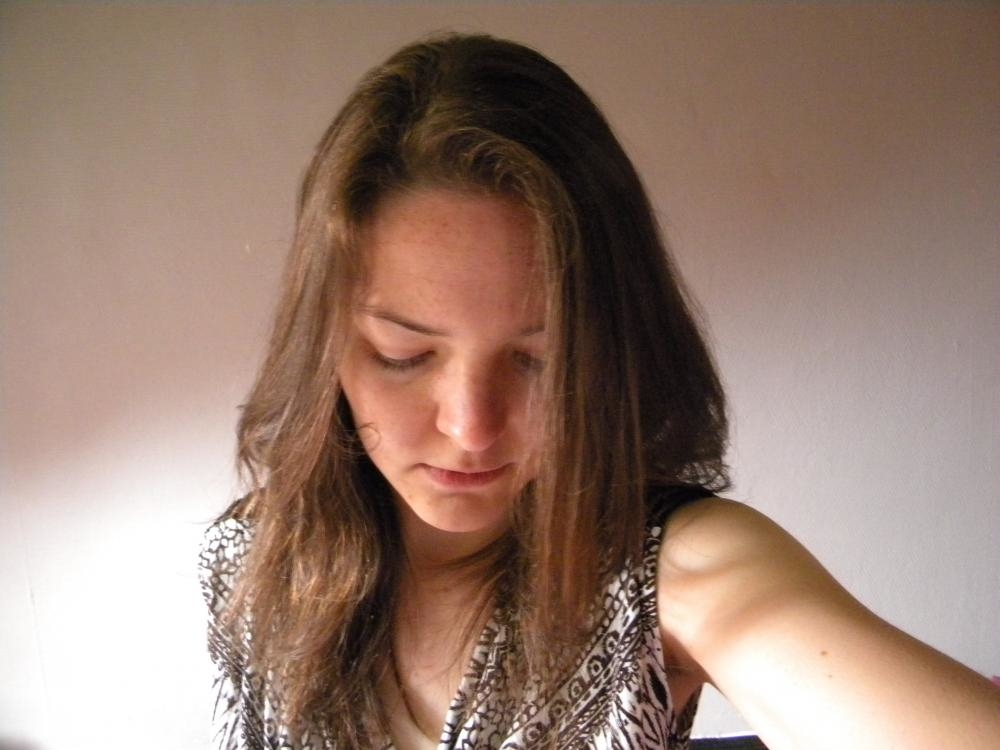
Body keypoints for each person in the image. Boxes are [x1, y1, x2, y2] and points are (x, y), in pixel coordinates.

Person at [199, 33, 1000, 750]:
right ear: (324, 346)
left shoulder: (661, 578)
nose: (472, 427)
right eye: (402, 355)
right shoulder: (251, 565)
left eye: (540, 361)